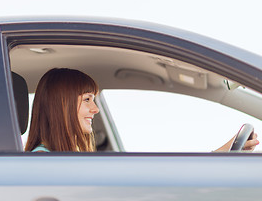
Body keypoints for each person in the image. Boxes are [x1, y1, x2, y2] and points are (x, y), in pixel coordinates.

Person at [25, 68, 259, 152]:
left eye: (94, 99)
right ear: (61, 105)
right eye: (87, 99)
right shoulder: (42, 163)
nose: (95, 109)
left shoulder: (60, 160)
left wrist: (224, 151)